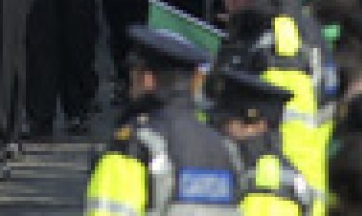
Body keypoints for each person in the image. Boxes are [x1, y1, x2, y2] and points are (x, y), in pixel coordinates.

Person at [83, 26, 243, 216]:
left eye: (133, 73)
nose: (130, 83)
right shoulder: (224, 148)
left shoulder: (134, 147)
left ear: (148, 79)